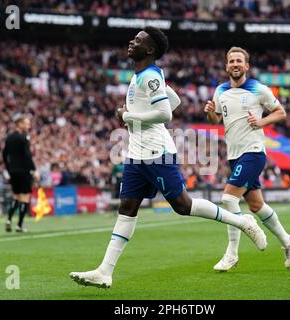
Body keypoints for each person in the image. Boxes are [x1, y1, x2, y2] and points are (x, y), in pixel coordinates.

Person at [70, 27, 267, 289]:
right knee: (126, 209)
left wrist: (129, 117)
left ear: (150, 50)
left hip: (156, 153)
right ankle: (105, 271)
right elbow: (173, 100)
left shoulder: (149, 76)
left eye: (138, 40)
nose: (132, 42)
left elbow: (166, 113)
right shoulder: (145, 74)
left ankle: (241, 221)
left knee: (183, 206)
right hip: (136, 154)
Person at [204, 46, 290, 271]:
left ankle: (232, 254)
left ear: (246, 66)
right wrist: (210, 111)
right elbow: (214, 121)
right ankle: (287, 240)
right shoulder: (220, 91)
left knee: (228, 199)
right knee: (256, 205)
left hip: (254, 151)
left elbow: (281, 112)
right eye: (231, 61)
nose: (235, 64)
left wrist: (261, 122)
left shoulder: (258, 88)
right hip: (234, 155)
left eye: (239, 61)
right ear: (227, 66)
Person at [2, 114, 39, 232]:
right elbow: (27, 155)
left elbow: (4, 155)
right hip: (23, 170)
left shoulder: (9, 137)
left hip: (13, 171)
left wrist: (9, 168)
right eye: (27, 123)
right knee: (25, 197)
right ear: (20, 124)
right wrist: (34, 169)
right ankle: (19, 225)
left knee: (16, 196)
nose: (29, 126)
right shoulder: (24, 137)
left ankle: (8, 220)